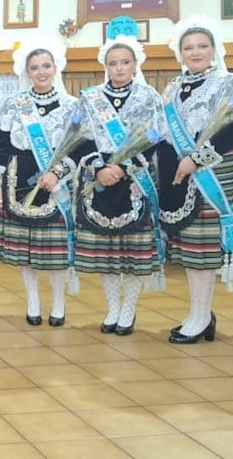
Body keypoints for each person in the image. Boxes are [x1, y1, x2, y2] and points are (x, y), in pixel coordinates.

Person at [157, 15, 233, 345]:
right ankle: (199, 314)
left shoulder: (229, 82)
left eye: (202, 46)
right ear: (180, 52)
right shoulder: (171, 87)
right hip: (180, 177)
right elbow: (162, 132)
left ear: (214, 49)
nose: (195, 53)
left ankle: (200, 316)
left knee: (204, 249)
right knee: (189, 250)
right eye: (188, 48)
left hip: (214, 173)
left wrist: (197, 158)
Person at [73, 31, 166, 336]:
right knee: (108, 251)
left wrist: (123, 167)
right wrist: (100, 167)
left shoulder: (149, 96)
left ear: (136, 63)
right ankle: (113, 307)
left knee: (132, 251)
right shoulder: (90, 98)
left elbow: (156, 139)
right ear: (106, 65)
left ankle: (129, 310)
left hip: (134, 179)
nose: (120, 68)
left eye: (126, 62)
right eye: (113, 63)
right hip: (99, 178)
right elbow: (80, 139)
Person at [0, 39, 80, 327]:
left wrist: (59, 172)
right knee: (26, 251)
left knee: (54, 252)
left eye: (46, 66)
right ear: (26, 71)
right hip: (19, 184)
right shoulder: (15, 104)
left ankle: (59, 304)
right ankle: (33, 301)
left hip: (56, 184)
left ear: (55, 68)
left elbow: (80, 147)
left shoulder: (71, 106)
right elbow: (0, 145)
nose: (41, 72)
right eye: (34, 67)